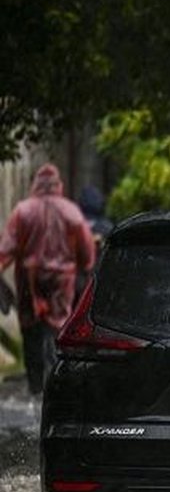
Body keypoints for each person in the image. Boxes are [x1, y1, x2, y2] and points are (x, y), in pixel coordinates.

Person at [0, 163, 96, 395]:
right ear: (58, 185)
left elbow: (5, 252)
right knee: (57, 331)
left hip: (29, 282)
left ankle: (34, 388)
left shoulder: (22, 211)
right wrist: (83, 269)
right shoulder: (72, 212)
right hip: (61, 283)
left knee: (31, 332)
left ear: (35, 185)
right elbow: (87, 256)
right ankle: (55, 389)